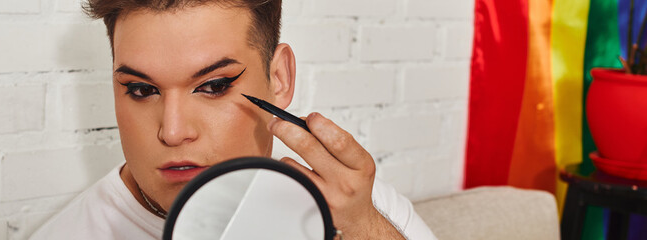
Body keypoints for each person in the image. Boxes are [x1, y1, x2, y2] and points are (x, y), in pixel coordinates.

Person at [31, 0, 436, 239]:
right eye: (141, 89)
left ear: (278, 79)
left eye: (214, 85)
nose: (173, 132)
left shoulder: (353, 206)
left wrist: (364, 228)